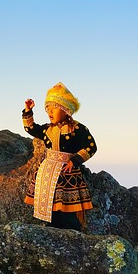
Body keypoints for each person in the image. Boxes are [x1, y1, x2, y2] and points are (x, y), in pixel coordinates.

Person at [22, 82, 97, 231]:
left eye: (54, 107)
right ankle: (53, 228)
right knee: (50, 204)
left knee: (67, 208)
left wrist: (75, 161)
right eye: (47, 108)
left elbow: (91, 147)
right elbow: (30, 128)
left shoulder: (77, 129)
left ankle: (72, 233)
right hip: (47, 173)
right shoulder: (47, 130)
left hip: (67, 173)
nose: (50, 112)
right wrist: (28, 111)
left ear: (66, 109)